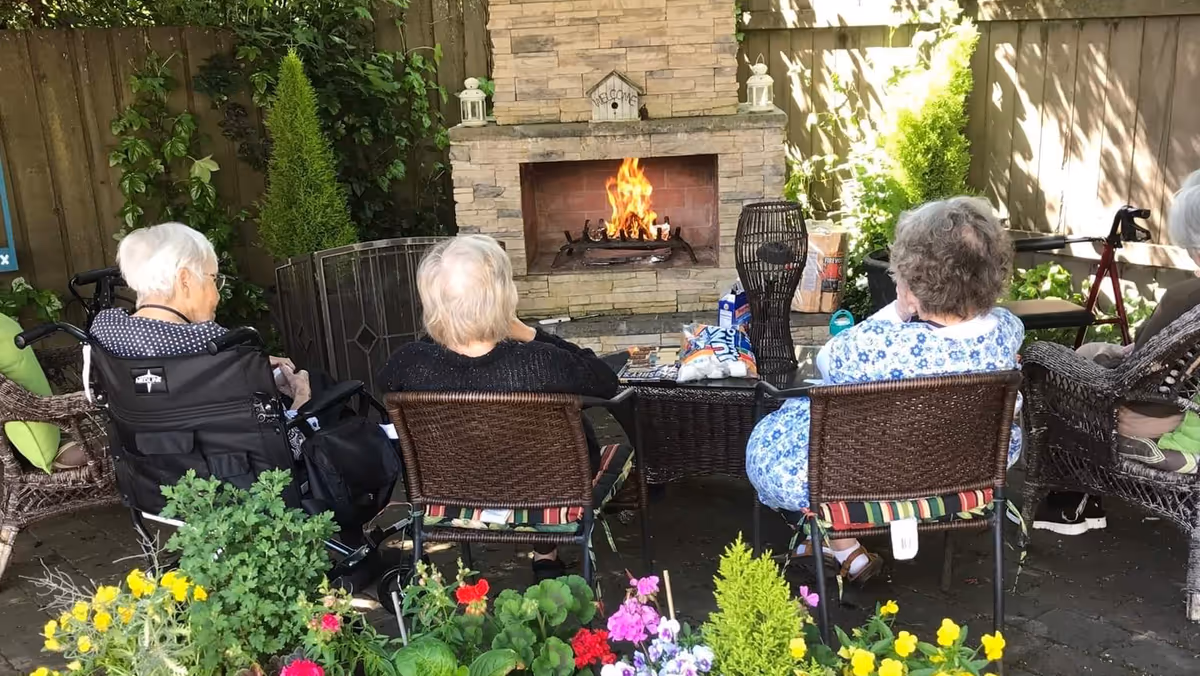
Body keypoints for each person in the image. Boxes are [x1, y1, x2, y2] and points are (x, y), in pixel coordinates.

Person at [746, 196, 1023, 583]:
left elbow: (828, 361)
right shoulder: (1006, 331)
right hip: (962, 471)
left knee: (782, 430)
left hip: (867, 478)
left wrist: (898, 309)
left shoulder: (876, 348)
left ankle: (837, 536)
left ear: (912, 283)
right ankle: (838, 542)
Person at [379, 234, 620, 581]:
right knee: (576, 449)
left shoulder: (407, 364)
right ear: (501, 296)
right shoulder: (542, 363)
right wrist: (529, 333)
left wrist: (446, 331)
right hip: (549, 492)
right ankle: (545, 553)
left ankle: (540, 553)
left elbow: (394, 380)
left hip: (453, 492)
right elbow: (605, 380)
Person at [1035, 172, 1200, 534]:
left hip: (1157, 419)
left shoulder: (1187, 297)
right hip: (1184, 405)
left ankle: (1069, 503)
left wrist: (1122, 355)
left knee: (1061, 372)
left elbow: (1141, 375)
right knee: (1096, 351)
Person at [90, 222, 314, 447]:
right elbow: (285, 447)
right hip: (228, 473)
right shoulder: (216, 347)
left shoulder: (105, 330)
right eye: (213, 279)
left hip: (148, 472)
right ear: (185, 279)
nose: (217, 294)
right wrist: (301, 400)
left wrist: (252, 367)